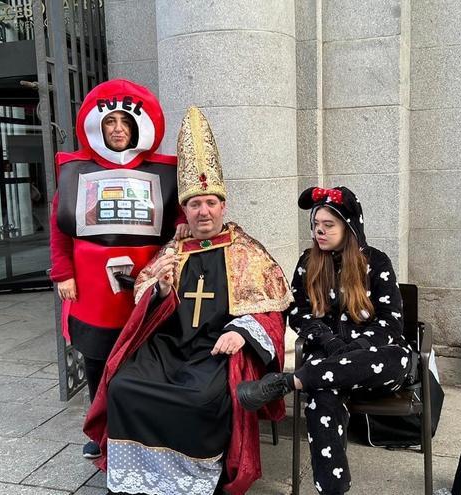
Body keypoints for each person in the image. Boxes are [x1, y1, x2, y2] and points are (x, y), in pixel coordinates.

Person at [83, 106, 292, 495]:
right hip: (172, 346)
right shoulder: (175, 250)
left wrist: (243, 334)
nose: (204, 211)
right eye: (195, 204)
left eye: (210, 202)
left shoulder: (247, 251)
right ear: (186, 210)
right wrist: (159, 291)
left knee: (200, 399)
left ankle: (195, 480)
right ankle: (137, 480)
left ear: (223, 205)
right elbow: (145, 295)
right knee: (124, 386)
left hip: (215, 350)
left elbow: (273, 310)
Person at [236, 186, 417, 495]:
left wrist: (356, 349)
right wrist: (331, 343)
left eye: (328, 224)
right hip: (327, 364)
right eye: (316, 224)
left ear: (350, 226)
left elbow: (391, 323)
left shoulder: (377, 262)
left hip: (375, 361)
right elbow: (299, 313)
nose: (319, 230)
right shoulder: (309, 262)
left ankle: (290, 381)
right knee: (322, 401)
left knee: (397, 357)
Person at [50, 79, 181, 458]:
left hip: (145, 289)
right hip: (92, 291)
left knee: (145, 358)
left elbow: (177, 225)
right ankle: (100, 427)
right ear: (100, 126)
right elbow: (60, 230)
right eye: (111, 122)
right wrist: (63, 273)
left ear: (138, 126)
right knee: (96, 360)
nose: (118, 128)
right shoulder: (75, 172)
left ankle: (140, 427)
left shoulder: (164, 173)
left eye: (125, 120)